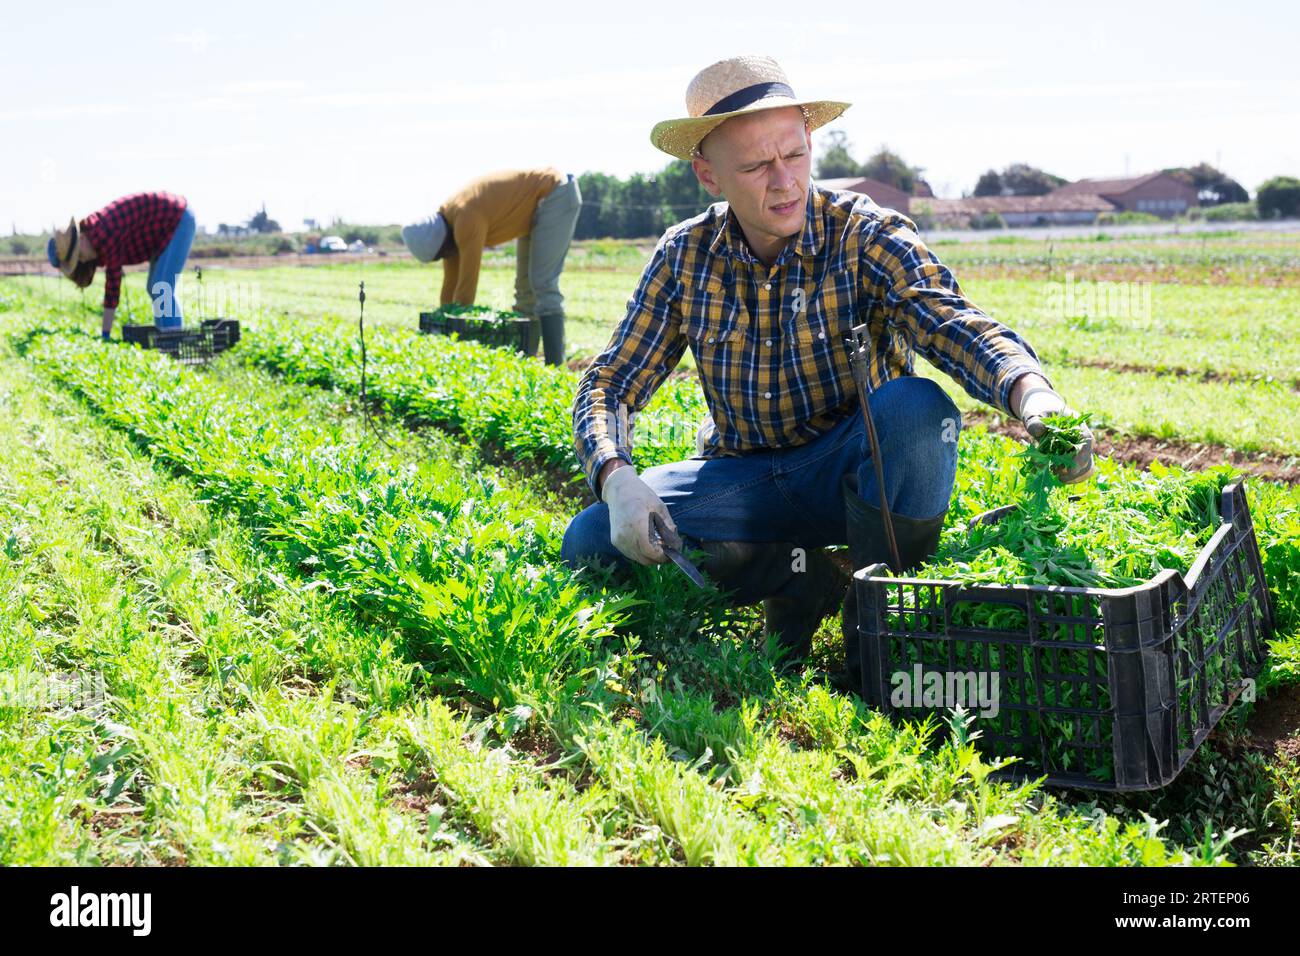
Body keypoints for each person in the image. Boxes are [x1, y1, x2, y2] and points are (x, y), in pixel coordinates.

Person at [560, 55, 1094, 686]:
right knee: (593, 538)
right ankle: (801, 577)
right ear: (709, 175)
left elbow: (949, 320)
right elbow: (612, 380)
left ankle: (880, 628)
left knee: (917, 411)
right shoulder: (686, 255)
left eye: (794, 154)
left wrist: (1032, 395)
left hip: (854, 474)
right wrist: (617, 477)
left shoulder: (863, 233)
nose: (784, 180)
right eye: (757, 166)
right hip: (745, 478)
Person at [401, 168, 582, 366]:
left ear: (442, 242)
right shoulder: (449, 226)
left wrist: (455, 332)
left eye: (441, 254)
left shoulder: (465, 218)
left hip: (555, 193)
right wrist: (443, 317)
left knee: (542, 282)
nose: (445, 258)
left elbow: (466, 287)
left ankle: (555, 365)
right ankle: (528, 362)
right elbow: (450, 283)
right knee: (524, 289)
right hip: (533, 208)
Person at [47, 191, 195, 339]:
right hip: (164, 228)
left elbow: (113, 285)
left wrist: (105, 334)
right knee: (155, 287)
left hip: (177, 218)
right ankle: (169, 337)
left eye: (79, 255)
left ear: (83, 238)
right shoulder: (97, 232)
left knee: (161, 286)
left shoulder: (105, 233)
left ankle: (173, 341)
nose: (83, 261)